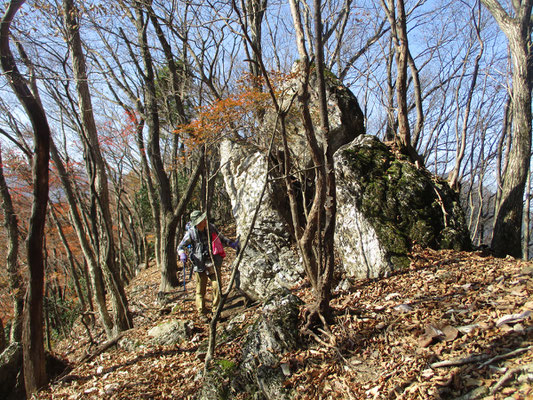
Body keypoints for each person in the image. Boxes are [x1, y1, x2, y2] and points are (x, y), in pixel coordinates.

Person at [177, 210, 239, 321]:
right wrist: (182, 254)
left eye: (204, 219)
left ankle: (216, 311)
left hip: (213, 262)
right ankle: (202, 313)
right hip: (199, 265)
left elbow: (221, 238)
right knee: (200, 290)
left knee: (217, 287)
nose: (204, 221)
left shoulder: (211, 227)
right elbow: (180, 247)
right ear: (197, 223)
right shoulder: (191, 233)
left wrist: (231, 244)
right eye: (201, 220)